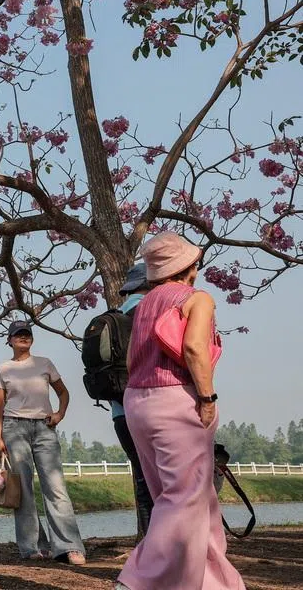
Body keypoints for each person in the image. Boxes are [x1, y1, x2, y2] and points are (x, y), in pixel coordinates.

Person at [116, 232, 245, 590]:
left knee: (183, 500)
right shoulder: (197, 299)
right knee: (184, 499)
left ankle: (214, 582)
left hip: (138, 401)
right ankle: (136, 580)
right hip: (178, 400)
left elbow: (130, 361)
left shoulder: (144, 304)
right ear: (190, 266)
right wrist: (207, 398)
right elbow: (193, 349)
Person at [0, 321, 86, 565]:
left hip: (44, 428)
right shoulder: (3, 368)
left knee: (55, 487)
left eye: (27, 334)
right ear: (9, 340)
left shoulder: (45, 363)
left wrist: (59, 414)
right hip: (14, 427)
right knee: (23, 489)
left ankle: (70, 547)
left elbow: (63, 392)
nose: (23, 337)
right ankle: (32, 546)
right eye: (18, 334)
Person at [111, 263, 154, 538]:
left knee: (142, 477)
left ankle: (150, 545)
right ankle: (164, 552)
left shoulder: (116, 315)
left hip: (120, 412)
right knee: (163, 479)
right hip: (149, 404)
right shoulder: (149, 312)